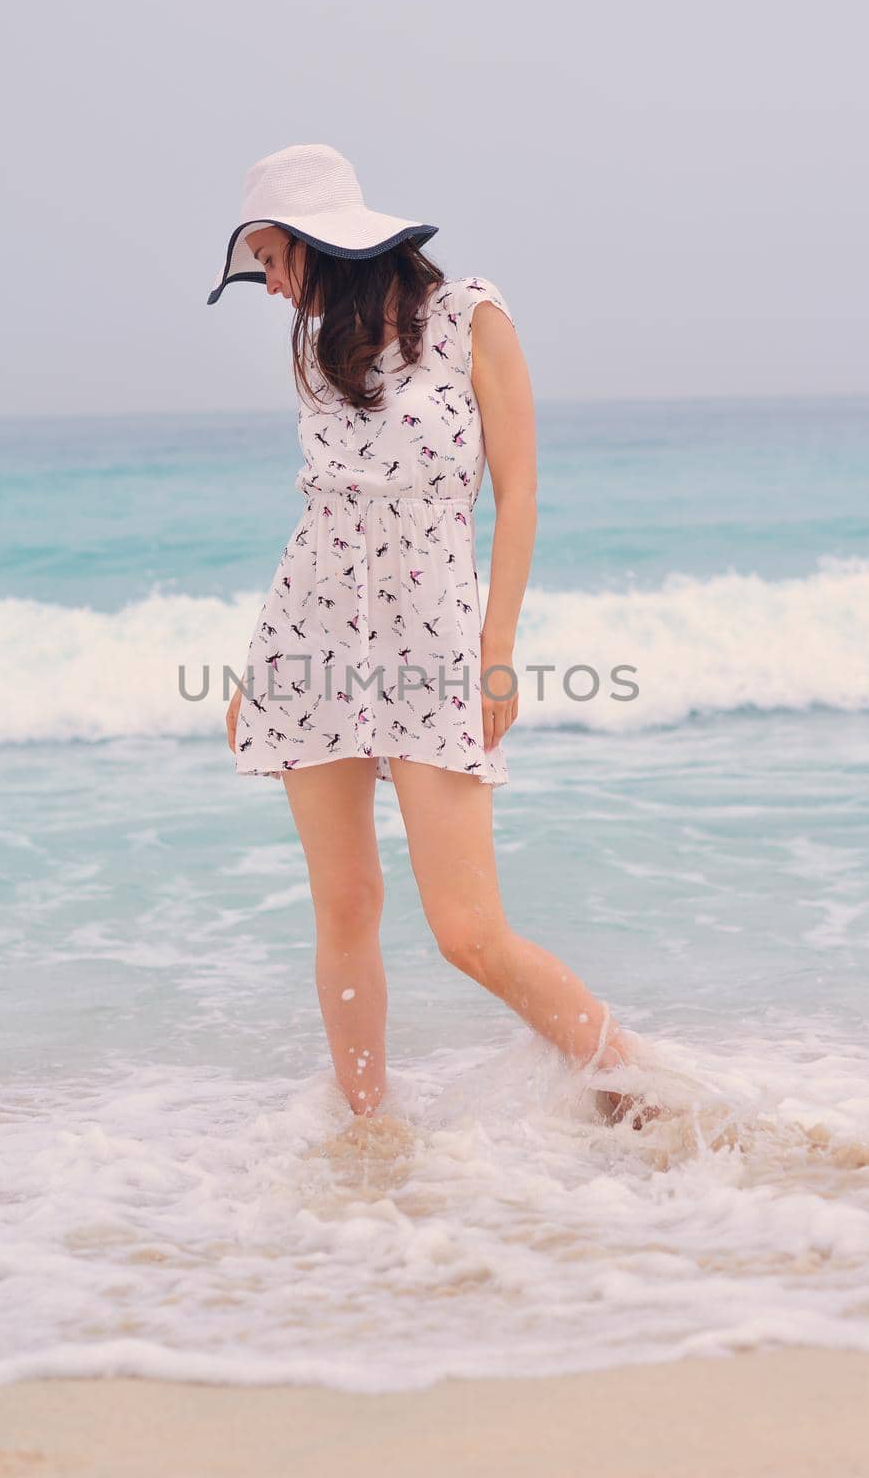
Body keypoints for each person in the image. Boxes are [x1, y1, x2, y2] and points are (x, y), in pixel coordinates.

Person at [210, 143, 660, 1129]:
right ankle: (369, 1129)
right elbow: (320, 519)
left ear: (316, 242)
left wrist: (497, 649)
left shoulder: (471, 318)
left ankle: (638, 1087)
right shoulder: (322, 354)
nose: (275, 287)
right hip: (309, 641)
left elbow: (520, 490)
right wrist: (258, 668)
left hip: (435, 643)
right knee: (345, 904)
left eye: (274, 261)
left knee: (467, 931)